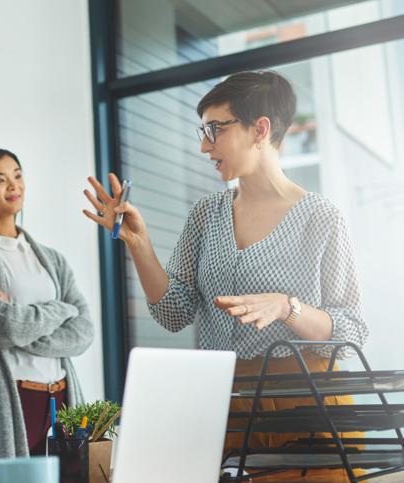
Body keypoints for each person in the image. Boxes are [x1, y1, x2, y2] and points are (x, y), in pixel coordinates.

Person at [82, 70, 367, 452]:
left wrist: (287, 307)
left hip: (306, 404)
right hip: (222, 404)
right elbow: (173, 312)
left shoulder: (321, 216)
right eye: (202, 131)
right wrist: (138, 243)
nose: (204, 146)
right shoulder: (206, 214)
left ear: (259, 130)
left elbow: (351, 333)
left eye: (215, 129)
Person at [0, 147, 95, 470]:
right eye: (0, 180)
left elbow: (84, 333)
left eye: (17, 175)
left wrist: (22, 319)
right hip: (12, 398)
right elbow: (6, 328)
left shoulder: (52, 259)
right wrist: (61, 309)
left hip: (61, 397)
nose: (14, 185)